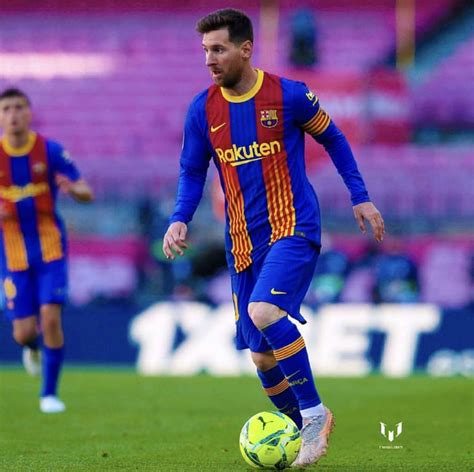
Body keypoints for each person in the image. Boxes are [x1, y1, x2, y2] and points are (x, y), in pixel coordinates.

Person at [162, 9, 384, 467]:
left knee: (265, 311)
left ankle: (314, 415)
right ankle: (302, 428)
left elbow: (335, 139)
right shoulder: (202, 109)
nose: (210, 59)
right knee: (263, 361)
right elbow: (191, 171)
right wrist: (179, 217)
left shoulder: (289, 95)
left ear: (245, 49)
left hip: (294, 227)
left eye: (219, 49)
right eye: (205, 50)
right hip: (242, 242)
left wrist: (360, 196)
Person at [0, 88, 94, 413]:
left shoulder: (49, 151)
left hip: (50, 249)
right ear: (0, 116)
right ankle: (31, 347)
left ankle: (49, 394)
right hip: (12, 255)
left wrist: (74, 190)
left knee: (51, 318)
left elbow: (86, 191)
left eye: (19, 108)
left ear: (29, 112)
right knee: (24, 331)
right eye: (7, 109)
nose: (13, 114)